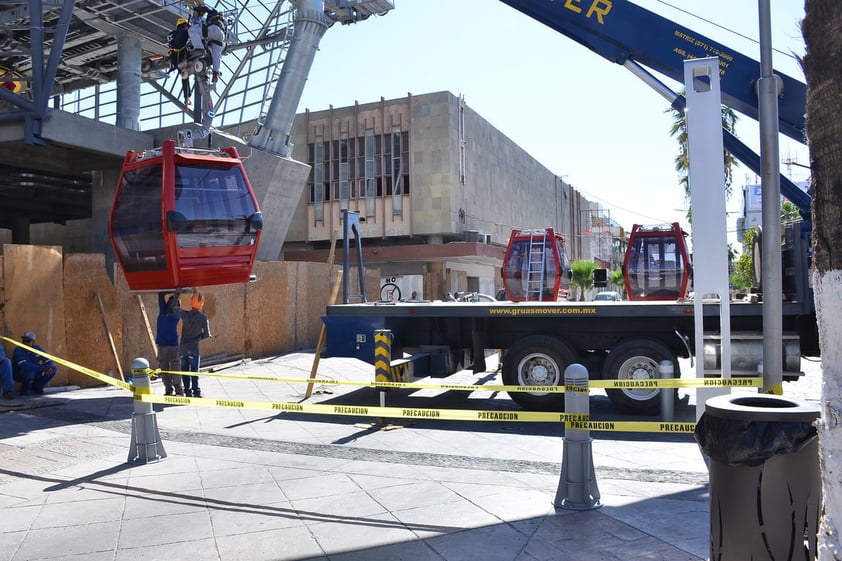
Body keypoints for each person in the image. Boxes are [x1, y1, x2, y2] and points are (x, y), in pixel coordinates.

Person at [178, 291, 211, 398]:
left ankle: (187, 392)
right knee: (194, 371)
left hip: (183, 347)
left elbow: (174, 307)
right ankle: (196, 392)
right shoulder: (203, 319)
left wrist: (177, 293)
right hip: (194, 347)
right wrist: (198, 338)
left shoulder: (185, 314)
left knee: (185, 370)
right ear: (202, 304)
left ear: (191, 302)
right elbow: (206, 335)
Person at [156, 292, 185, 396]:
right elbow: (160, 296)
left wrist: (177, 293)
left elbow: (173, 306)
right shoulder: (163, 311)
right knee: (164, 368)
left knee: (175, 367)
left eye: (172, 303)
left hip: (173, 345)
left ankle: (179, 390)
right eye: (169, 302)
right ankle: (168, 389)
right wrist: (166, 290)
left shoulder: (176, 314)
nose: (169, 304)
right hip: (162, 345)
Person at [168, 17, 191, 106]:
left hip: (174, 57)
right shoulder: (185, 31)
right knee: (185, 76)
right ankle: (187, 97)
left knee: (184, 76)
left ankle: (187, 97)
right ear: (185, 25)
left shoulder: (171, 34)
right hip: (182, 55)